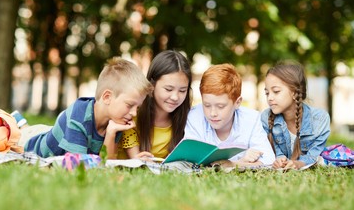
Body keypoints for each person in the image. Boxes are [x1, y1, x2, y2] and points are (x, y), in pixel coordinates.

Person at [24, 57, 153, 158]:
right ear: (107, 97)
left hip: (53, 132)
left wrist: (111, 133)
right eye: (130, 105)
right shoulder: (79, 116)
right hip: (30, 143)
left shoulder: (116, 120)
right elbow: (80, 165)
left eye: (137, 107)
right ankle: (19, 121)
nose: (134, 113)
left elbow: (107, 164)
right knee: (13, 132)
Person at [184, 63, 275, 167]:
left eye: (221, 106)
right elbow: (191, 160)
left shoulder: (251, 119)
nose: (213, 113)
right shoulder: (194, 116)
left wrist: (233, 164)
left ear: (237, 102)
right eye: (207, 105)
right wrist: (242, 161)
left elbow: (269, 160)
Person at [119, 50, 192, 159]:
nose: (175, 97)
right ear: (152, 85)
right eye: (168, 89)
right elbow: (135, 161)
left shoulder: (187, 120)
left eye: (182, 91)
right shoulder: (132, 114)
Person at [261, 60, 330, 169]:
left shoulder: (320, 119)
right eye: (267, 93)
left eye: (276, 91)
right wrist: (279, 159)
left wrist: (298, 164)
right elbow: (268, 151)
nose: (270, 98)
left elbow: (314, 154)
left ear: (294, 92)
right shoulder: (265, 117)